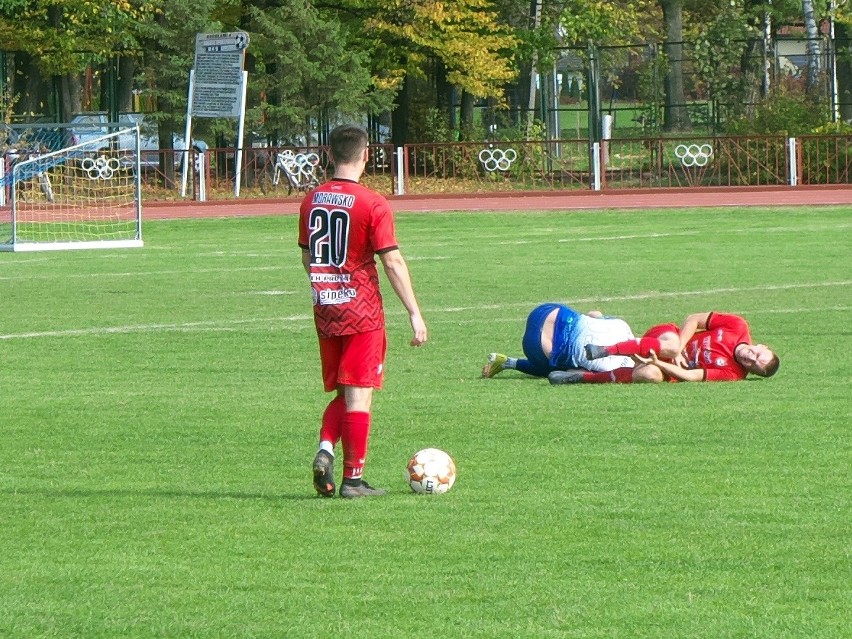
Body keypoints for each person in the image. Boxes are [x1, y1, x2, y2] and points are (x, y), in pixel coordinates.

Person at [299, 124, 427, 498]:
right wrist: (414, 313)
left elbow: (308, 256)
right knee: (360, 395)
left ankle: (325, 450)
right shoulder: (373, 203)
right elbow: (393, 262)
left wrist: (328, 284)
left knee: (343, 391)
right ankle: (353, 481)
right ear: (366, 154)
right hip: (362, 311)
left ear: (330, 154)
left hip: (326, 308)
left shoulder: (311, 200)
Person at [548, 311, 779, 385]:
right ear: (761, 346)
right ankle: (605, 349)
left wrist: (657, 363)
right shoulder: (737, 326)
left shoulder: (733, 374)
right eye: (757, 353)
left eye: (752, 365)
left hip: (665, 364)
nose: (750, 357)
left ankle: (581, 378)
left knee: (648, 375)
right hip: (667, 337)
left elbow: (690, 376)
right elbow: (694, 319)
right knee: (671, 346)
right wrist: (679, 348)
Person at [482, 303, 636, 379]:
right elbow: (570, 373)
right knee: (558, 368)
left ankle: (506, 362)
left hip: (544, 311)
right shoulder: (613, 368)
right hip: (536, 347)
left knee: (582, 320)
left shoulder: (623, 326)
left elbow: (594, 313)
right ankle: (510, 363)